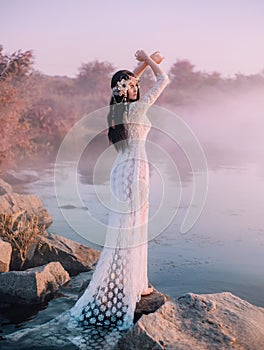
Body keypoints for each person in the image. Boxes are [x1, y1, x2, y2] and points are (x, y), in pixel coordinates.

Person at [69, 49, 169, 331]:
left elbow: (124, 84)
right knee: (135, 224)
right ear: (127, 91)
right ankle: (135, 283)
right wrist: (150, 62)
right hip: (136, 169)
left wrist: (139, 68)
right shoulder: (137, 108)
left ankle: (134, 280)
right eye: (133, 85)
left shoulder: (117, 108)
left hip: (123, 169)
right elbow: (164, 81)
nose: (136, 87)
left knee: (128, 224)